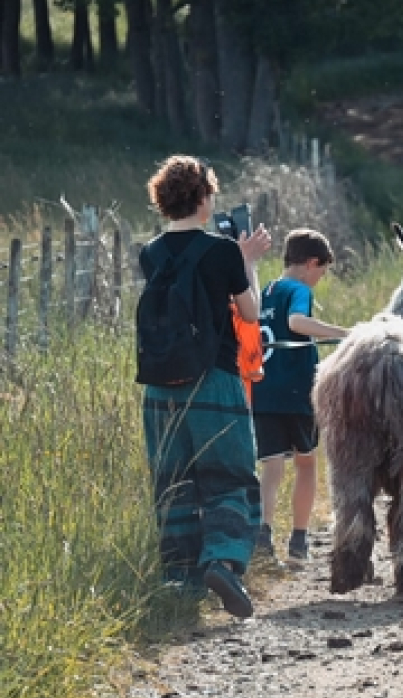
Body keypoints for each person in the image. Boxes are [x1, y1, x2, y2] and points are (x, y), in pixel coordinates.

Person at [140, 154, 271, 618]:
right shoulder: (222, 251)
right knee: (228, 478)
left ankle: (179, 582)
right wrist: (248, 261)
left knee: (173, 482)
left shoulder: (149, 252)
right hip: (214, 382)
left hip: (158, 390)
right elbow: (250, 313)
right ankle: (222, 562)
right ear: (203, 197)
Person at [252, 229, 349, 565]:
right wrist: (346, 335)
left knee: (271, 464)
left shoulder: (265, 290)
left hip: (262, 391)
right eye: (321, 272)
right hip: (297, 392)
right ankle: (298, 540)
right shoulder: (298, 290)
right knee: (306, 462)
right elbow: (297, 322)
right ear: (311, 263)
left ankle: (263, 533)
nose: (319, 279)